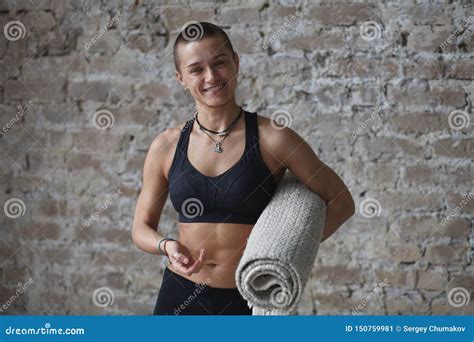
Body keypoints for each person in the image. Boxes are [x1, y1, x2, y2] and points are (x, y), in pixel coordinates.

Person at [132, 22, 355, 315]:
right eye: (197, 69)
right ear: (181, 79)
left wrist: (289, 254)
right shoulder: (166, 146)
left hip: (249, 299)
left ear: (235, 62)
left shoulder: (273, 138)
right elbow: (141, 228)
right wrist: (166, 245)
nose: (211, 76)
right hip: (180, 294)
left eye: (220, 63)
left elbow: (341, 202)